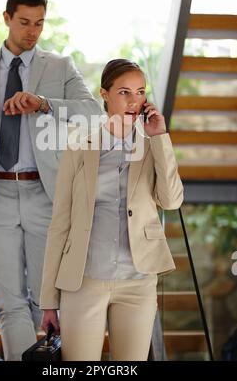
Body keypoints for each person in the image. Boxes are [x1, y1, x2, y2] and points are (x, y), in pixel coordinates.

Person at [0, 0, 101, 361]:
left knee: (45, 299)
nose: (32, 32)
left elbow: (93, 112)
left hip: (44, 194)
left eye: (39, 24)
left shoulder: (60, 67)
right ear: (7, 19)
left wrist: (44, 103)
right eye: (25, 22)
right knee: (8, 301)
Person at [40, 58, 184, 361]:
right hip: (84, 281)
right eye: (124, 92)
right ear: (104, 94)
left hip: (138, 281)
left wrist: (160, 137)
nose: (134, 101)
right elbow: (60, 223)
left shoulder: (152, 144)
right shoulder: (79, 144)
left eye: (140, 92)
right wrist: (48, 301)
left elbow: (171, 201)